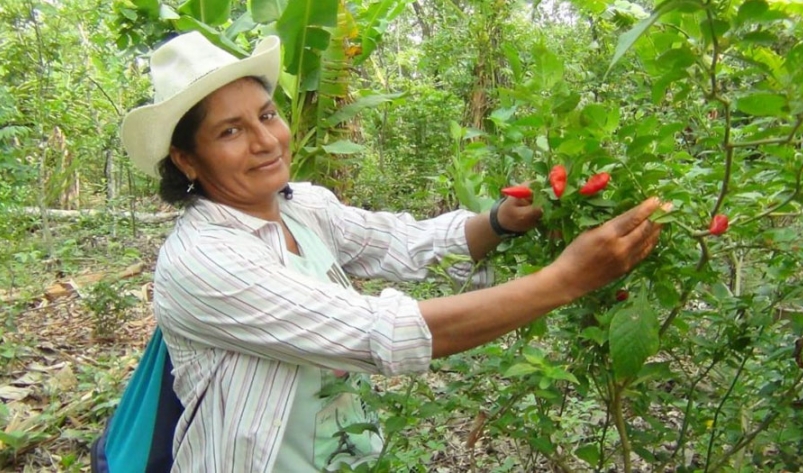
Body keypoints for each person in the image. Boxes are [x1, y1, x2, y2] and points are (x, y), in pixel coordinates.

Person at [119, 32, 664, 472]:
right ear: (187, 160)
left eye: (266, 115)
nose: (265, 141)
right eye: (230, 131)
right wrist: (567, 279)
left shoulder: (303, 207)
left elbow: (403, 243)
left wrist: (500, 220)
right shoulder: (204, 261)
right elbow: (382, 333)